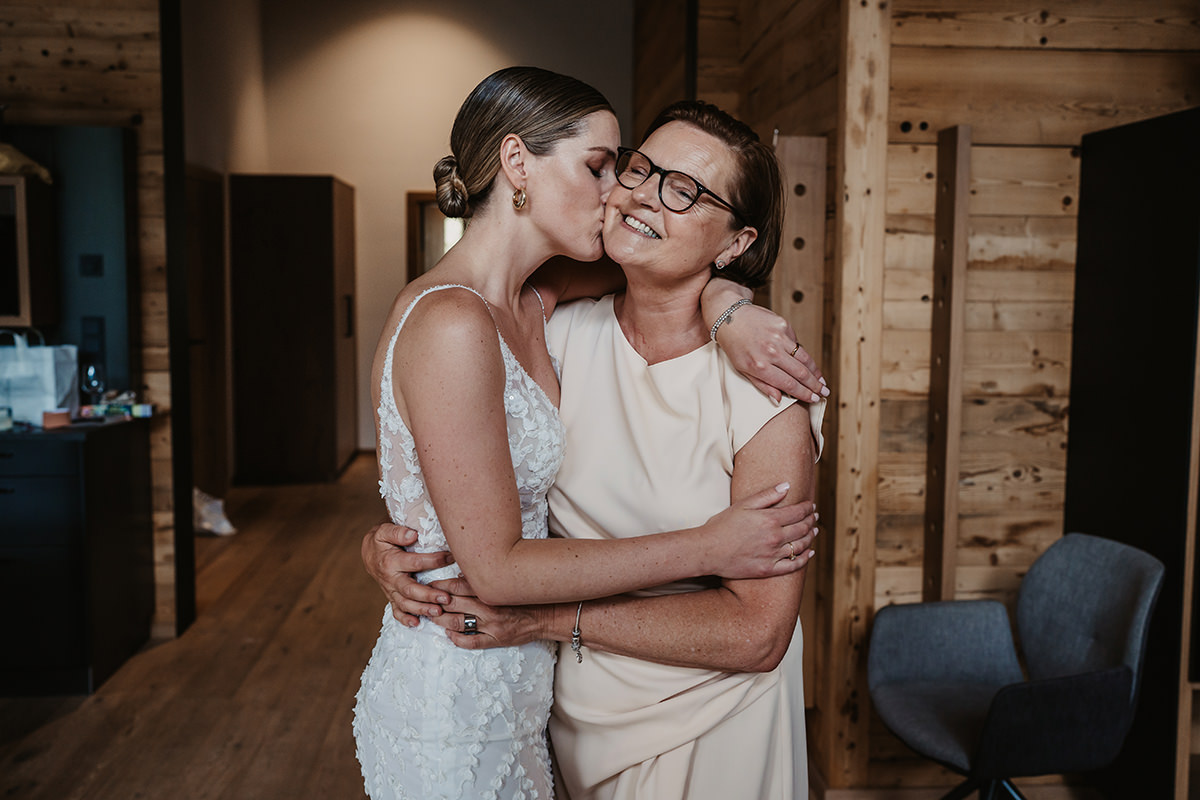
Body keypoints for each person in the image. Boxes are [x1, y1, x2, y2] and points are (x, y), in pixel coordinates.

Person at [353, 68, 823, 800]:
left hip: (704, 716)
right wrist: (392, 546)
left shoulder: (762, 384)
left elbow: (757, 632)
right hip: (546, 700)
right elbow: (470, 519)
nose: (630, 194)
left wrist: (729, 307)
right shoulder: (552, 326)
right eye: (633, 169)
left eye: (683, 190)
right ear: (517, 163)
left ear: (737, 241)